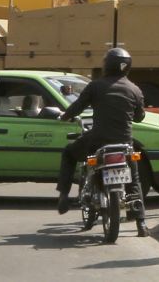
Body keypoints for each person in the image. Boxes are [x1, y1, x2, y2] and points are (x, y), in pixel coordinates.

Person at [57, 47, 146, 215]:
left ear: (108, 65)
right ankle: (141, 223)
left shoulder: (95, 86)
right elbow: (139, 117)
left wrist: (64, 117)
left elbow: (77, 107)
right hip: (125, 142)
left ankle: (63, 195)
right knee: (134, 179)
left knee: (69, 153)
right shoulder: (135, 90)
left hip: (98, 140)